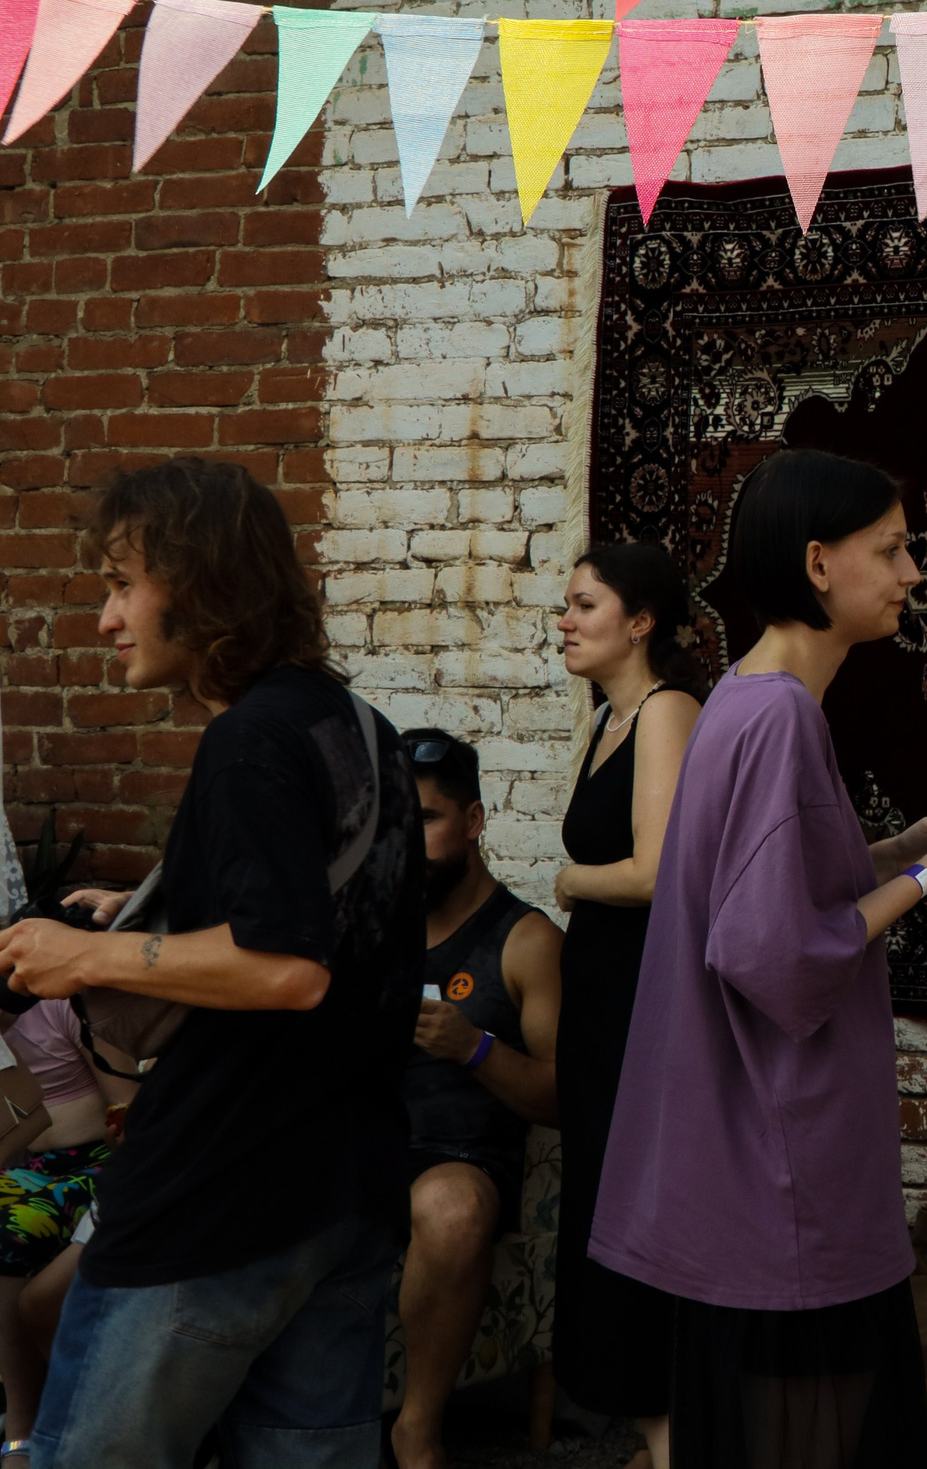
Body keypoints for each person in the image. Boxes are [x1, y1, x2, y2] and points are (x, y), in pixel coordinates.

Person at [592, 448, 927, 1469]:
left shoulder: (742, 694)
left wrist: (885, 852)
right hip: (779, 1167)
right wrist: (925, 884)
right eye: (893, 549)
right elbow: (767, 947)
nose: (913, 573)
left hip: (738, 1165)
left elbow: (742, 881)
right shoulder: (778, 715)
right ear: (819, 563)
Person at [0, 455, 424, 1469]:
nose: (106, 619)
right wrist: (157, 905)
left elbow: (286, 970)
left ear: (197, 584)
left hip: (221, 1193)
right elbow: (318, 916)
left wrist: (77, 952)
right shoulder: (356, 728)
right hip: (348, 1186)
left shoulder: (246, 743)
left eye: (119, 583)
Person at [552, 540, 704, 1469]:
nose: (563, 621)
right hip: (601, 996)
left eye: (583, 604)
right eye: (564, 606)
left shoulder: (665, 710)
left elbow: (657, 873)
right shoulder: (610, 719)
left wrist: (567, 878)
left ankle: (674, 1435)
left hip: (643, 998)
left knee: (637, 1203)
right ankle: (658, 1431)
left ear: (641, 620)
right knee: (602, 1198)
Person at [395, 728, 563, 1469]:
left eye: (426, 821)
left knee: (451, 1208)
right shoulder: (373, 922)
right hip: (363, 1141)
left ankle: (417, 1429)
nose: (405, 843)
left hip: (460, 1155)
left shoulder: (524, 939)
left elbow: (562, 1094)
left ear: (472, 821)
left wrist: (474, 1047)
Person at [0, 1003, 132, 1461]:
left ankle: (23, 1423)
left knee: (13, 1230)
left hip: (96, 1163)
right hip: (33, 1168)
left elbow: (126, 1105)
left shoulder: (61, 1008)